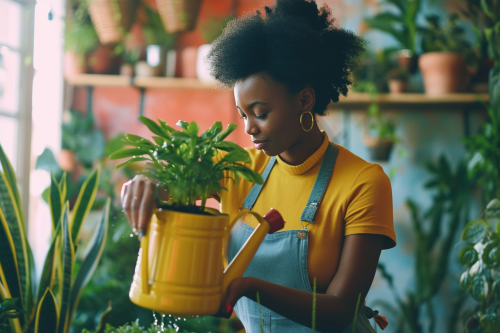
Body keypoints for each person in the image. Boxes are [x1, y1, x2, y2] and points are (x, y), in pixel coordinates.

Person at [121, 0, 397, 332]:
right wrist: (145, 183)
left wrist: (249, 286)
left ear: (305, 101)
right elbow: (174, 181)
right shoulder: (237, 168)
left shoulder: (363, 182)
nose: (249, 127)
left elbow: (341, 309)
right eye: (243, 115)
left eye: (261, 113)